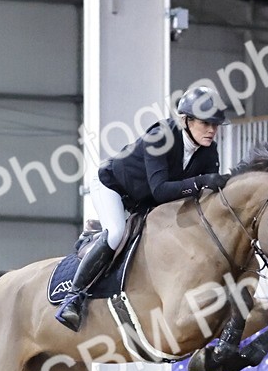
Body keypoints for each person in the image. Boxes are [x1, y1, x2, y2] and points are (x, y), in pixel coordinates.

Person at [55, 85, 232, 331]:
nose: (212, 130)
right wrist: (201, 182)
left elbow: (202, 199)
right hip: (113, 187)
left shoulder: (208, 149)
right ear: (186, 120)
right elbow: (161, 189)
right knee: (116, 232)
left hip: (146, 201)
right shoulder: (160, 136)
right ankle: (73, 297)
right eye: (206, 124)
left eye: (215, 125)